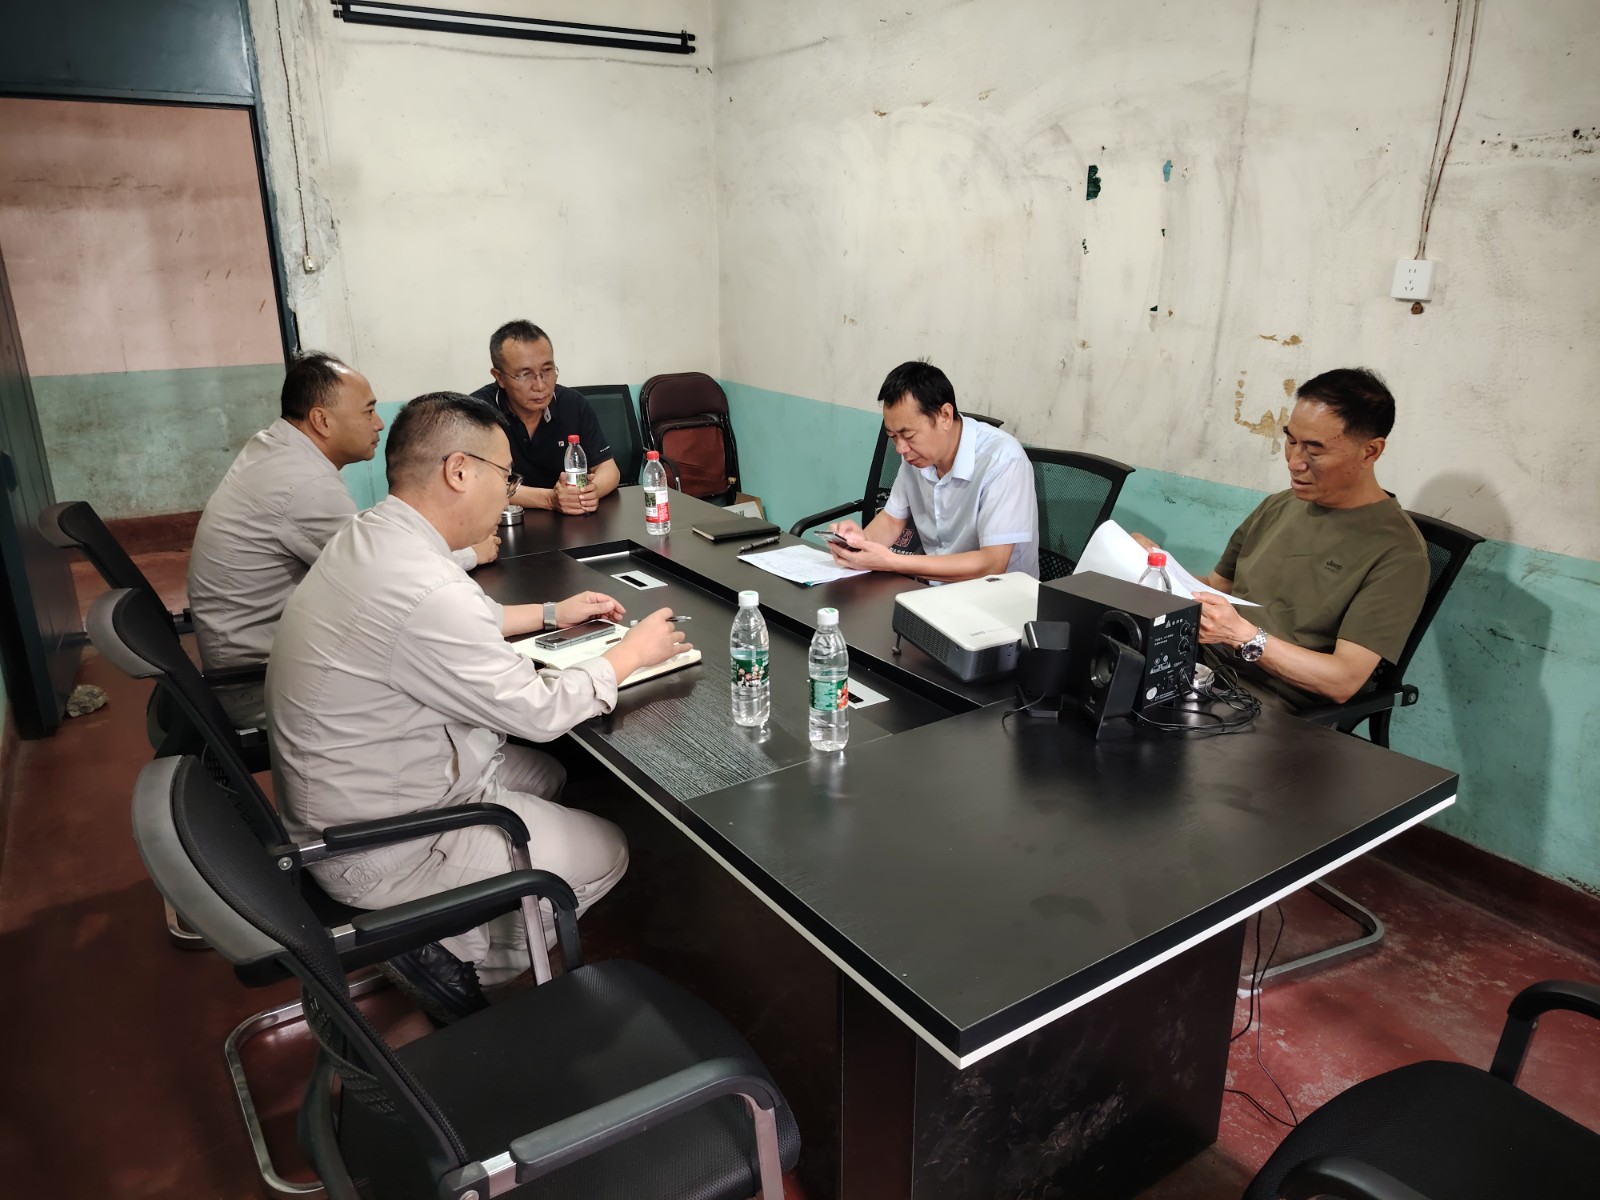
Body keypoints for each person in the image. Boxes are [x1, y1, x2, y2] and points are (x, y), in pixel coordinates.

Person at [265, 391, 688, 1009]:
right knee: (610, 849)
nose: (510, 494)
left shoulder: (374, 536)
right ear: (459, 471)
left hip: (351, 797)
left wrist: (553, 612)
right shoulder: (427, 589)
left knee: (549, 775)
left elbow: (462, 619)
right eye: (506, 477)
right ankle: (458, 967)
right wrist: (630, 654)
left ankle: (478, 909)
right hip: (383, 846)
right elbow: (538, 711)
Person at [187, 352, 497, 725]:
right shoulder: (303, 484)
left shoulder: (275, 449)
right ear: (322, 420)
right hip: (258, 681)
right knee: (446, 684)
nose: (379, 423)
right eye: (368, 412)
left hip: (255, 658)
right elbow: (383, 574)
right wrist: (468, 553)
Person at [1134, 367, 1428, 709]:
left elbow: (1343, 680)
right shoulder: (1281, 505)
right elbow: (1216, 587)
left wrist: (1241, 635)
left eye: (1314, 450)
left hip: (1267, 705)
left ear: (1370, 452)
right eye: (1291, 441)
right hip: (1199, 667)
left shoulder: (1399, 552)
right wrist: (1153, 570)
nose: (1295, 462)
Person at [827, 361, 1039, 581]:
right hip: (932, 590)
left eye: (908, 436)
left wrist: (892, 562)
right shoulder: (915, 458)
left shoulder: (1004, 460)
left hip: (997, 595)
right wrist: (858, 544)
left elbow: (992, 564)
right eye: (893, 437)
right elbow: (892, 520)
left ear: (944, 416)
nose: (900, 448)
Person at [469, 320, 620, 515]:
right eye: (525, 375)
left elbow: (608, 468)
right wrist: (550, 499)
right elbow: (481, 485)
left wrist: (591, 492)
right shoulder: (478, 413)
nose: (540, 386)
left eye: (547, 370)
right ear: (499, 377)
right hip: (503, 523)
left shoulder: (573, 404)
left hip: (571, 521)